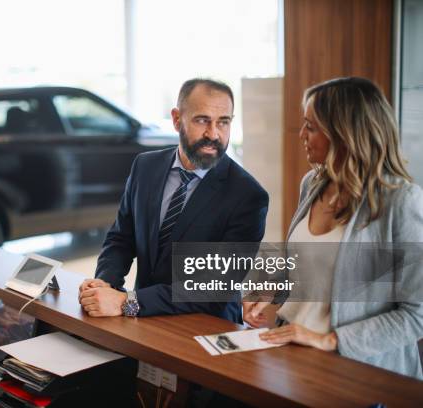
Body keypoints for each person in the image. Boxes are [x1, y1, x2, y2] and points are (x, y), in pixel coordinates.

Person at [243, 77, 423, 379]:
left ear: (345, 134)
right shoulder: (311, 184)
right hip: (294, 358)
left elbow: (416, 313)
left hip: (361, 374)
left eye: (311, 127)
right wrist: (269, 289)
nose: (301, 135)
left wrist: (329, 340)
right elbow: (310, 270)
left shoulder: (402, 201)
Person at [78, 78, 269, 320]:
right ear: (177, 119)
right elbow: (121, 238)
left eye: (223, 122)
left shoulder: (248, 195)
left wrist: (128, 302)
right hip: (143, 323)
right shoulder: (145, 166)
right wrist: (104, 284)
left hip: (206, 329)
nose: (213, 134)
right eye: (202, 120)